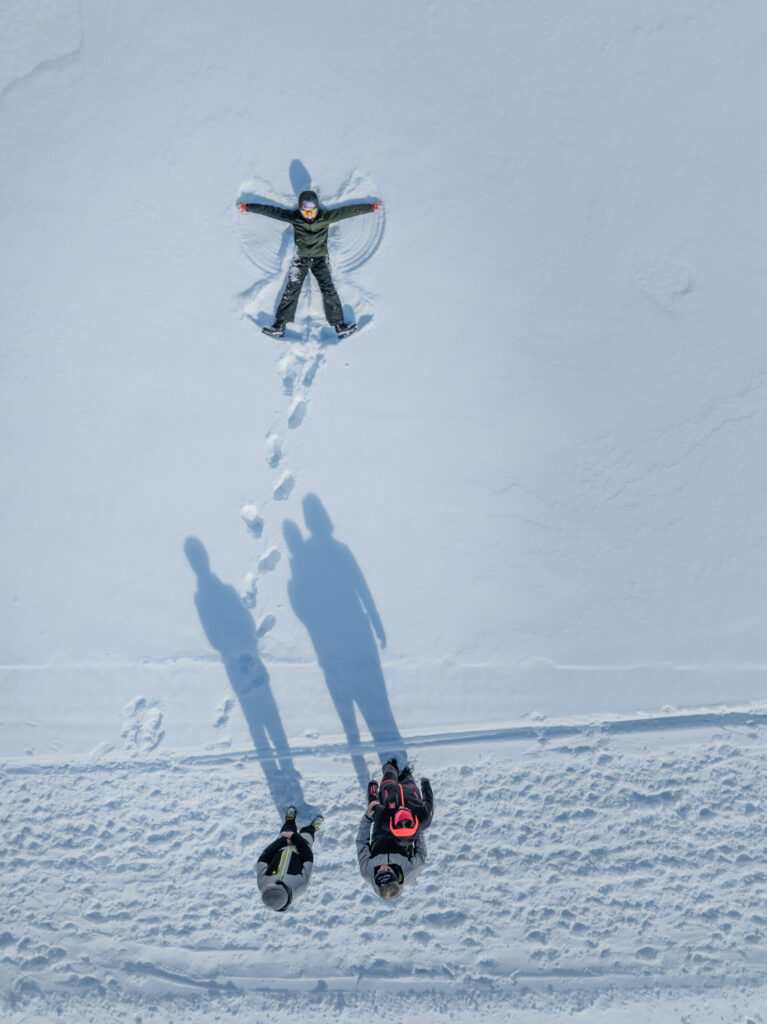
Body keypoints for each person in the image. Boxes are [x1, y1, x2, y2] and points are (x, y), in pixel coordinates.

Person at [239, 189, 381, 338]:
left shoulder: (326, 217)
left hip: (320, 260)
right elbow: (271, 211)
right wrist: (247, 207)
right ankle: (279, 325)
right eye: (304, 212)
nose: (308, 215)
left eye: (311, 211)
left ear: (317, 207)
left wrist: (371, 207)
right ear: (300, 209)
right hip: (300, 259)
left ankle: (339, 325)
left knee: (328, 289)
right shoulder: (295, 218)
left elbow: (347, 211)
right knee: (292, 289)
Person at [356, 760, 434, 900]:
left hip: (381, 826)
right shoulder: (409, 872)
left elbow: (362, 843)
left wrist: (368, 818)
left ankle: (389, 767)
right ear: (396, 877)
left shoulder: (367, 872)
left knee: (387, 791)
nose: (383, 867)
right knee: (407, 788)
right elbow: (421, 853)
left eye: (380, 871)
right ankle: (406, 774)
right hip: (403, 827)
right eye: (388, 870)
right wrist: (416, 829)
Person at [257, 805, 323, 912]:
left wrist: (282, 841)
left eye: (267, 887)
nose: (269, 883)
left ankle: (290, 821)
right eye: (275, 885)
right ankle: (311, 829)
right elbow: (308, 858)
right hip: (302, 848)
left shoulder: (263, 885)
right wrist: (297, 839)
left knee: (288, 829)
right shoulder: (299, 886)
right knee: (307, 835)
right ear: (283, 890)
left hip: (281, 846)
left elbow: (263, 859)